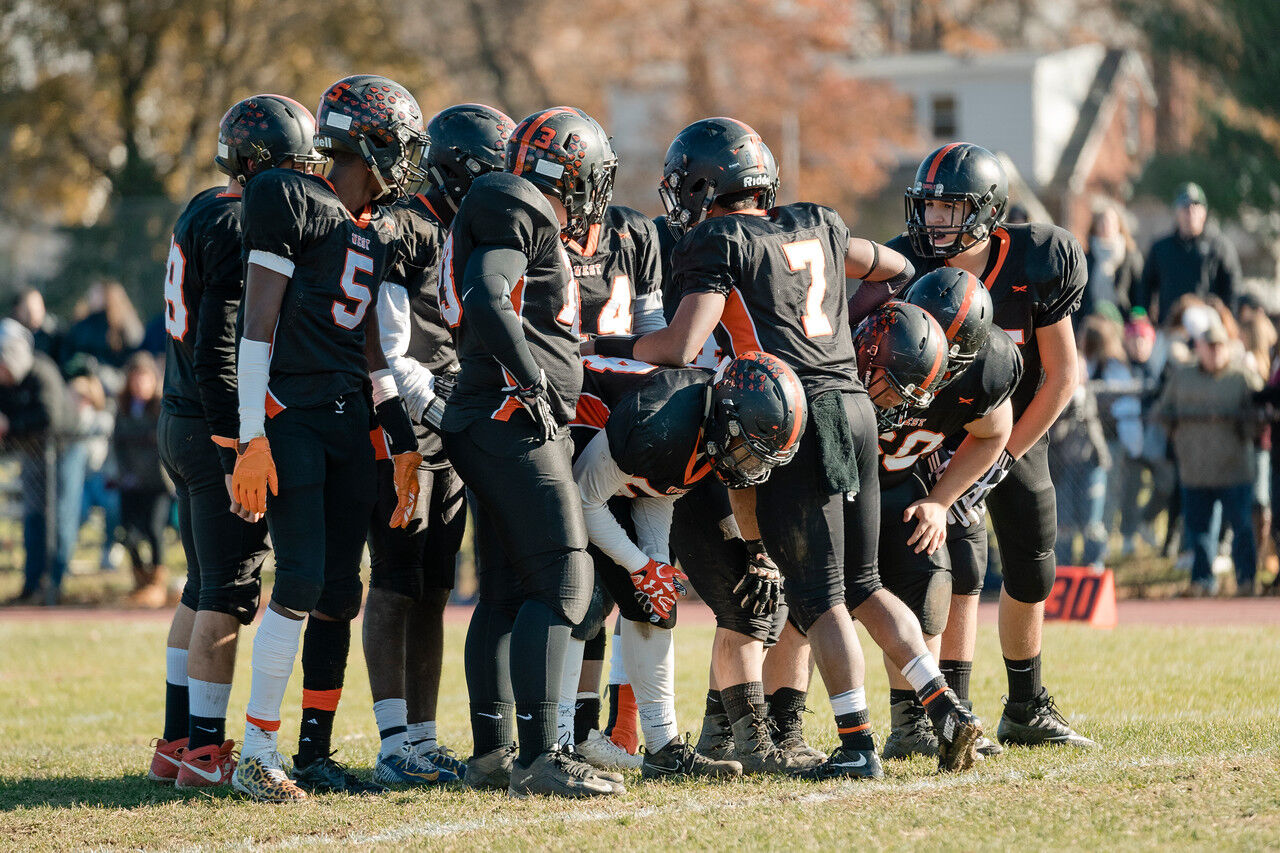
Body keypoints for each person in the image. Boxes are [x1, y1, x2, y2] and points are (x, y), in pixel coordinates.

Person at [603, 117, 982, 777]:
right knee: (863, 583)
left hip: (791, 413)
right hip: (856, 406)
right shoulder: (820, 220)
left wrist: (596, 350)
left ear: (701, 185)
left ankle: (859, 743)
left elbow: (682, 345)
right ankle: (942, 701)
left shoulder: (719, 237)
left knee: (821, 597)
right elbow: (894, 266)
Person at [226, 75, 426, 801]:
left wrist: (401, 439)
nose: (405, 161)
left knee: (343, 590)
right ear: (367, 140)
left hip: (347, 420)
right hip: (291, 418)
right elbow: (255, 329)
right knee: (302, 579)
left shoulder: (372, 229)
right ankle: (255, 751)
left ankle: (311, 753)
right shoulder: (290, 198)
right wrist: (252, 436)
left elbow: (373, 352)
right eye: (398, 145)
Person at [438, 106, 619, 798]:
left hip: (494, 414)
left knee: (511, 588)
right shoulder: (513, 201)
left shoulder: (511, 204)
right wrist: (530, 376)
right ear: (567, 173)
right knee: (566, 582)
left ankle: (492, 752)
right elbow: (488, 296)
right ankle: (544, 757)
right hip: (508, 416)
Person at [892, 142, 1096, 749]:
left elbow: (1061, 376)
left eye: (949, 210)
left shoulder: (1038, 257)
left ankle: (1027, 706)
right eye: (928, 209)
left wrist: (1002, 459)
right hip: (935, 428)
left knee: (1033, 563)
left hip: (1018, 422)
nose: (932, 223)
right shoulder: (905, 264)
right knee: (957, 563)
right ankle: (949, 710)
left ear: (986, 212)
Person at [145, 94, 322, 791]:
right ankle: (207, 752)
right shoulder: (233, 220)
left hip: (178, 414)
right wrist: (235, 449)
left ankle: (179, 740)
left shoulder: (203, 206)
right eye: (295, 165)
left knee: (200, 583)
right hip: (206, 421)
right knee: (227, 587)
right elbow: (222, 347)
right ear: (266, 166)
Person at [363, 103, 513, 787]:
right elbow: (388, 345)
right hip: (403, 419)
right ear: (461, 169)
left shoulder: (462, 227)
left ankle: (421, 739)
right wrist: (429, 413)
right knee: (395, 580)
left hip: (452, 418)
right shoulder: (405, 227)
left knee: (433, 584)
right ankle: (394, 740)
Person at [571, 352, 807, 779]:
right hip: (567, 435)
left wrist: (655, 564)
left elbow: (659, 491)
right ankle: (560, 741)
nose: (750, 468)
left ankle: (664, 750)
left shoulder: (707, 425)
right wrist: (640, 565)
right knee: (572, 596)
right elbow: (582, 496)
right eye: (748, 452)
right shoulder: (663, 424)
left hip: (614, 465)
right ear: (728, 420)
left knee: (655, 606)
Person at [858, 270, 1021, 761]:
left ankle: (913, 724)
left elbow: (995, 432)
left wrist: (942, 499)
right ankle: (776, 724)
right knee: (809, 604)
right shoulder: (867, 339)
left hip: (902, 484)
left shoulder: (984, 369)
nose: (920, 351)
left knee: (927, 579)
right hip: (842, 484)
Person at [556, 123, 668, 774]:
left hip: (624, 421)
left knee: (624, 587)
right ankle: (551, 732)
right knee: (575, 585)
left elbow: (656, 338)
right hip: (567, 421)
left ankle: (607, 729)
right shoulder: (537, 239)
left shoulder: (633, 234)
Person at [1156, 321, 1262, 596]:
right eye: (1209, 346)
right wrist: (1180, 438)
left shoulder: (1241, 377)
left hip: (1234, 469)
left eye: (1219, 347)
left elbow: (1259, 416)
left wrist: (1245, 427)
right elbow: (1163, 411)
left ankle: (1246, 581)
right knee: (1198, 531)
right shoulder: (1183, 377)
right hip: (1195, 469)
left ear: (1227, 348)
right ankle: (1203, 582)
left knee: (1241, 527)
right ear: (1199, 348)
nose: (1214, 352)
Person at [0, 318, 68, 605]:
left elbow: (50, 419)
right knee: (33, 517)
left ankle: (53, 586)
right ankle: (31, 585)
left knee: (58, 517)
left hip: (64, 450)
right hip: (32, 453)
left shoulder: (43, 372)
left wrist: (10, 425)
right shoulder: (6, 384)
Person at [1134, 182, 1241, 322]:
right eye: (1185, 207)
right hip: (1170, 327)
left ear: (1204, 212)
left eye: (1196, 206)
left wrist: (1229, 322)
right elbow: (1145, 288)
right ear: (1176, 212)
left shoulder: (1219, 247)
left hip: (1207, 328)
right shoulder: (1161, 248)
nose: (1191, 212)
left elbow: (1233, 288)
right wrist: (1140, 317)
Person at [112, 352, 171, 605]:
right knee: (128, 532)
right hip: (131, 483)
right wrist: (124, 474)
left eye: (144, 379)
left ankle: (158, 582)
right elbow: (117, 444)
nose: (139, 384)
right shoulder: (124, 409)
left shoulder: (162, 407)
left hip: (157, 483)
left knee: (154, 529)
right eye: (134, 379)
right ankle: (140, 579)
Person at [1079, 203, 1142, 319]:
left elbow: (1140, 292)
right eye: (1102, 222)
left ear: (1119, 225)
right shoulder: (1084, 258)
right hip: (1092, 322)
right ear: (1095, 226)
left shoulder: (1131, 256)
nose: (1106, 226)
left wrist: (1138, 317)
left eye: (1111, 222)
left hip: (1124, 320)